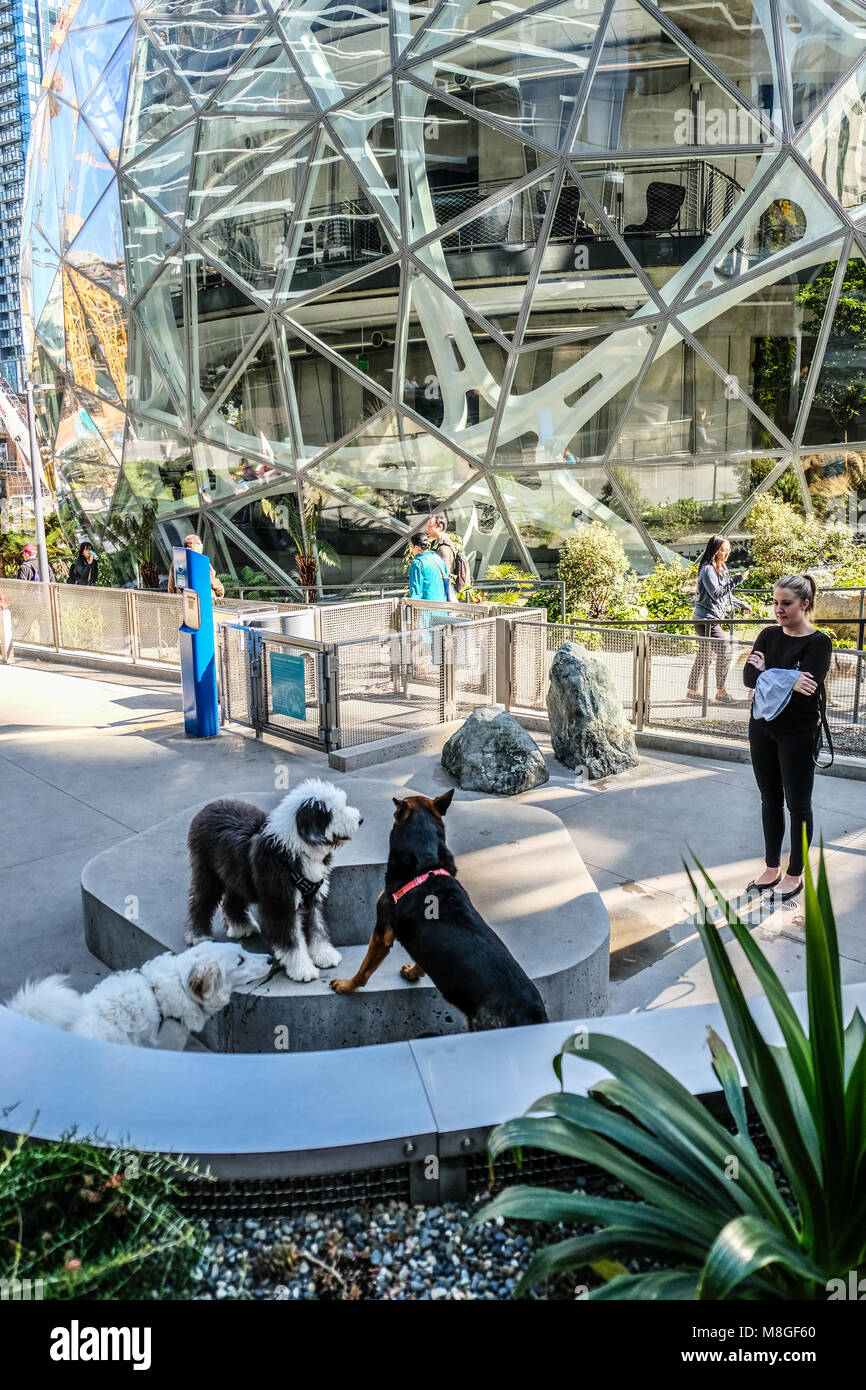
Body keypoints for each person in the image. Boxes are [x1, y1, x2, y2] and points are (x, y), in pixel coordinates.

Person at [742, 575, 832, 901]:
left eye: (786, 604)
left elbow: (807, 689)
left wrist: (771, 675)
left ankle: (795, 872)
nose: (778, 610)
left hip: (798, 734)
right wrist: (787, 678)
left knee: (797, 804)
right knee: (769, 799)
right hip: (762, 727)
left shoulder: (819, 643)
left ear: (804, 604)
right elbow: (748, 677)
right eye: (775, 602)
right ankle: (771, 866)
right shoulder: (767, 634)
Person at [686, 534, 752, 702]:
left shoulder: (721, 568)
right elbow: (716, 594)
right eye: (724, 550)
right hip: (705, 620)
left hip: (712, 619)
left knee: (705, 654)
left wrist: (741, 605)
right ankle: (721, 692)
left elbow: (726, 594)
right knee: (727, 649)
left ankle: (692, 691)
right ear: (715, 550)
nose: (727, 554)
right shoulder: (707, 569)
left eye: (729, 551)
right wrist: (736, 580)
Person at [167, 534, 225, 600]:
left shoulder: (177, 560)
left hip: (184, 599)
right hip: (203, 599)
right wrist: (221, 591)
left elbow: (171, 584)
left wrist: (171, 601)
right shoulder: (201, 560)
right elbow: (211, 581)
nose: (202, 546)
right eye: (199, 544)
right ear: (193, 545)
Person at [408, 532, 450, 604]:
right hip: (442, 606)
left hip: (425, 608)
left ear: (416, 547)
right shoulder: (438, 559)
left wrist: (412, 607)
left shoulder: (417, 563)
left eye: (412, 546)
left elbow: (415, 591)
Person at [426, 513, 458, 599]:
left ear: (440, 527)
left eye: (430, 526)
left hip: (444, 588)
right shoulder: (436, 542)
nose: (427, 529)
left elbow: (445, 572)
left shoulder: (444, 545)